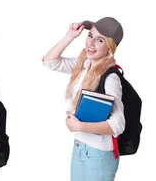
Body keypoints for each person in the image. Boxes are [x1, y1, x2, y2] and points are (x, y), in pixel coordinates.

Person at [41, 17, 126, 181]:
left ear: (110, 47)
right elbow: (49, 62)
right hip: (80, 147)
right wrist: (70, 36)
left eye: (99, 40)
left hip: (99, 154)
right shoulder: (84, 65)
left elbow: (118, 124)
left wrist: (80, 126)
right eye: (90, 36)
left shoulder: (110, 78)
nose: (91, 43)